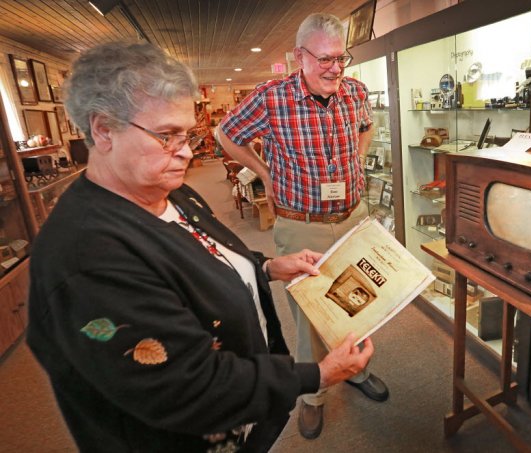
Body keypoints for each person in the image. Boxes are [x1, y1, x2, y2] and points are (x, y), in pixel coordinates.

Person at [26, 41, 374, 453]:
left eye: (187, 135)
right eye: (167, 136)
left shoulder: (168, 192)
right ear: (103, 130)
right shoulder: (87, 258)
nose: (188, 152)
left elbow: (201, 257)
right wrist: (316, 376)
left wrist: (265, 267)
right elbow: (188, 387)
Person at [216, 12, 388, 440]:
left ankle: (355, 369)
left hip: (352, 216)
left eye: (341, 58)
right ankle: (313, 395)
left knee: (358, 300)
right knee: (311, 313)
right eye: (325, 58)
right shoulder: (271, 96)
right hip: (300, 224)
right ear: (300, 56)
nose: (335, 68)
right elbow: (226, 134)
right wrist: (264, 173)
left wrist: (357, 162)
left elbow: (366, 127)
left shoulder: (355, 91)